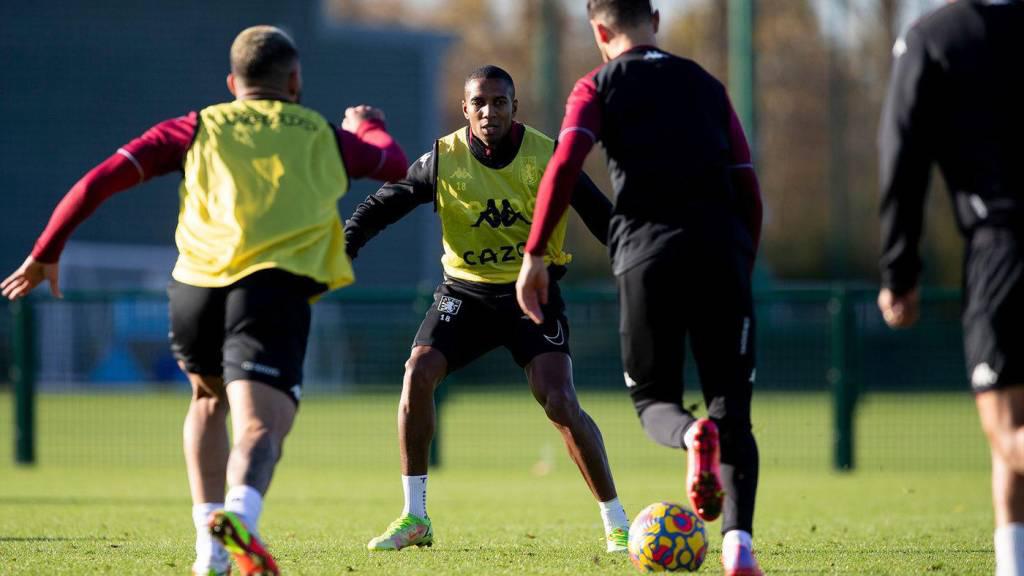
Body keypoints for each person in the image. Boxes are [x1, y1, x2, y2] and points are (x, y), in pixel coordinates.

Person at [0, 25, 407, 576]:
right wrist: (368, 126)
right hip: (270, 290)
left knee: (207, 400)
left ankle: (209, 551)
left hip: (193, 291)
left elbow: (100, 179)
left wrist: (46, 251)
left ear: (232, 83)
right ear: (294, 80)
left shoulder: (197, 126)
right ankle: (240, 515)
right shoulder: (320, 132)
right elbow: (392, 162)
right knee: (261, 426)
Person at [515, 1, 764, 574]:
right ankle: (738, 550)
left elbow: (565, 166)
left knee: (654, 402)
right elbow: (747, 185)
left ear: (599, 30)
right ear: (655, 18)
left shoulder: (596, 85)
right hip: (722, 254)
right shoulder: (706, 85)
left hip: (647, 256)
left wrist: (534, 254)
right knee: (734, 410)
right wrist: (740, 261)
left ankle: (692, 435)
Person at [344, 65, 631, 553]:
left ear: (514, 107)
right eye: (479, 102)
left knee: (560, 401)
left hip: (531, 293)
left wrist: (642, 264)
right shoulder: (444, 158)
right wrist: (346, 245)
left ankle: (616, 522)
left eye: (499, 102)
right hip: (466, 294)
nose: (488, 111)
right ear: (465, 109)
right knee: (417, 372)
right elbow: (382, 204)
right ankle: (415, 516)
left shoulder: (547, 155)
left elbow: (604, 219)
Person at [876, 1, 1024, 574]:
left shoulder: (934, 37)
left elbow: (901, 157)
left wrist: (899, 271)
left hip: (1005, 247)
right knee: (1010, 426)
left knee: (1007, 430)